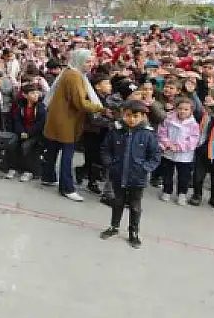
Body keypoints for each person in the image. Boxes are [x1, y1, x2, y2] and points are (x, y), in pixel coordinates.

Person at [43, 48, 105, 201]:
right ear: (79, 61)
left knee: (53, 150)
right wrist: (100, 107)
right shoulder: (75, 76)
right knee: (67, 154)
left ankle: (48, 177)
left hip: (57, 119)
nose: (90, 65)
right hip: (66, 121)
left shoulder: (70, 72)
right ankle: (67, 188)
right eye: (87, 61)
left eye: (92, 61)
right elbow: (80, 103)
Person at [99, 100, 162, 249]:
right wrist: (110, 164)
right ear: (123, 114)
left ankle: (133, 233)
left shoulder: (148, 134)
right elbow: (105, 149)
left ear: (142, 117)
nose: (131, 119)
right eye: (128, 115)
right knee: (117, 202)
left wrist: (145, 168)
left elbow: (155, 155)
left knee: (135, 206)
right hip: (118, 174)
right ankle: (114, 227)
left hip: (137, 177)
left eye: (135, 116)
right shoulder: (115, 131)